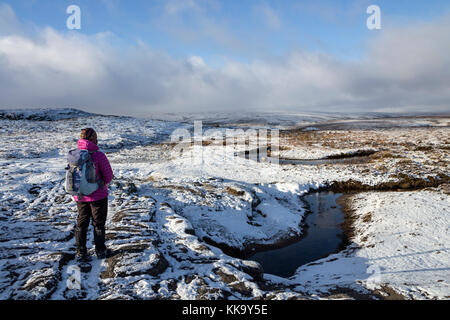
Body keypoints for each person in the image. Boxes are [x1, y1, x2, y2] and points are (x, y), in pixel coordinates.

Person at [73, 128, 113, 260]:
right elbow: (108, 176)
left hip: (80, 195)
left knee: (82, 222)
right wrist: (101, 185)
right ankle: (100, 251)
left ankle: (80, 251)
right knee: (98, 223)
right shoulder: (98, 155)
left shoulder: (75, 154)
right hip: (98, 196)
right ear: (93, 139)